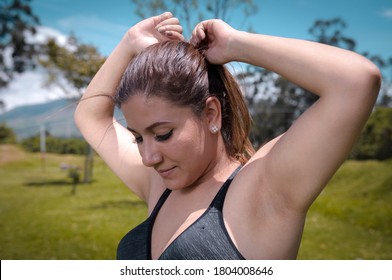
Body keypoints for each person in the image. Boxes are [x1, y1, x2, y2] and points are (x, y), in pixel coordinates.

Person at [74, 12, 381, 260]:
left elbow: (355, 82)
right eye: (139, 137)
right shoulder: (160, 185)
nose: (148, 157)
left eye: (163, 134)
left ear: (211, 114)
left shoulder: (263, 189)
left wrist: (236, 44)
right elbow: (90, 117)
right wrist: (129, 44)